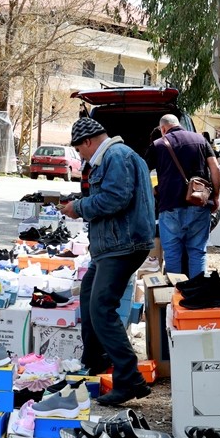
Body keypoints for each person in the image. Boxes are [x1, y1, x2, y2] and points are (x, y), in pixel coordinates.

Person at [60, 118, 155, 407]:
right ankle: (95, 362)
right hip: (113, 245)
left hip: (122, 245)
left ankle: (129, 379)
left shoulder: (116, 156)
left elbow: (115, 199)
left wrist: (78, 207)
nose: (81, 156)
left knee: (102, 307)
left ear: (88, 142)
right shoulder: (115, 157)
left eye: (79, 150)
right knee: (90, 298)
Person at [151, 115, 220, 277]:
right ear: (179, 125)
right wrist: (215, 196)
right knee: (197, 251)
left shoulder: (158, 144)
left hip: (169, 207)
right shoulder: (201, 140)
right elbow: (215, 168)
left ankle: (176, 293)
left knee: (172, 254)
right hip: (198, 204)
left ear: (163, 129)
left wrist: (152, 193)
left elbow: (142, 171)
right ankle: (198, 292)